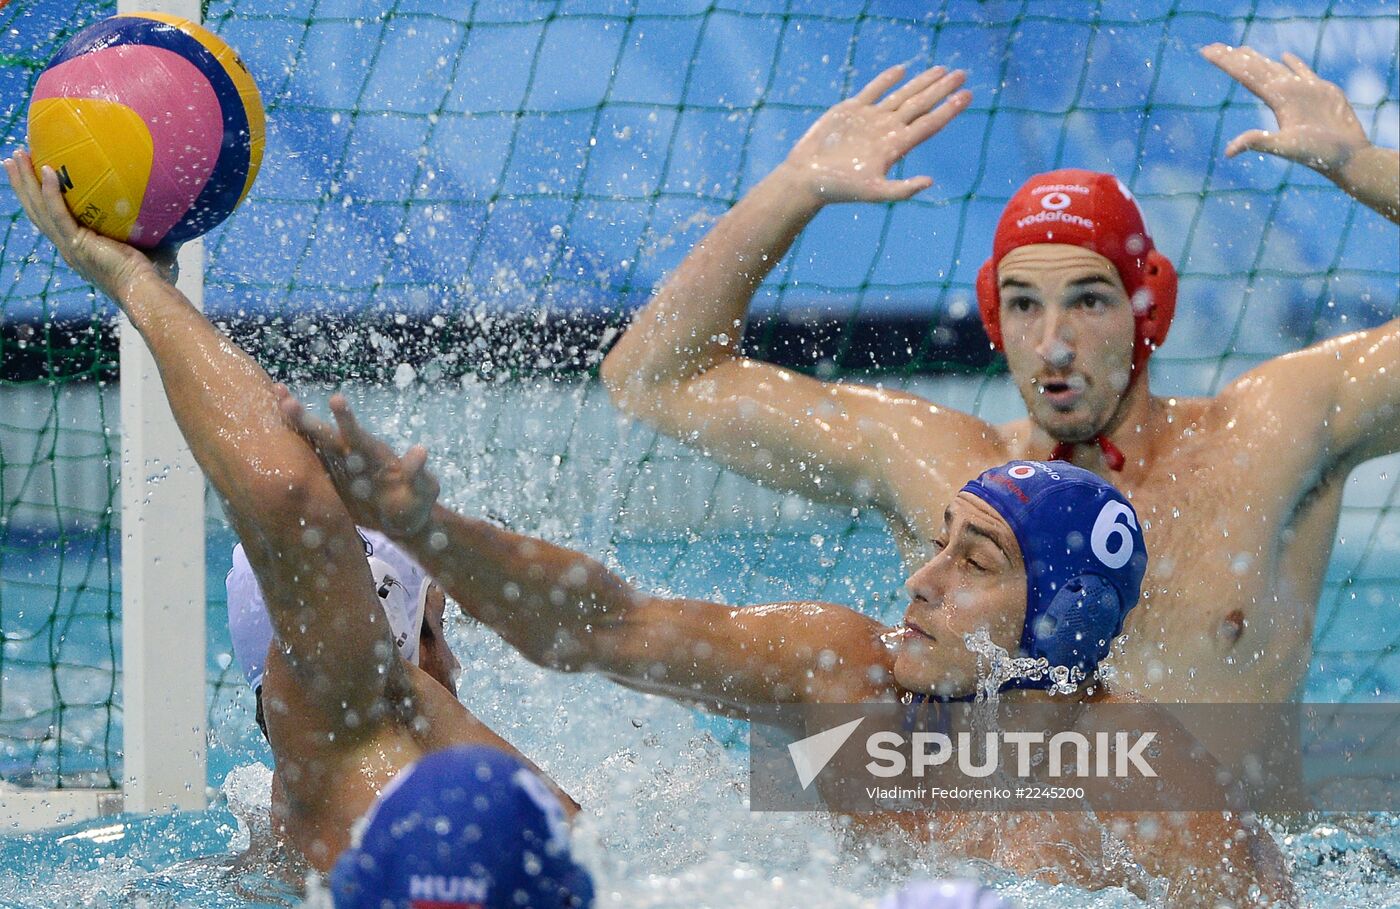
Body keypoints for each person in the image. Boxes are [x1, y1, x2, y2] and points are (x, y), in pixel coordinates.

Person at [597, 45, 1400, 710]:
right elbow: (653, 378)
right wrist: (792, 190)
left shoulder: (1271, 433)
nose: (1051, 344)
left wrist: (1360, 164)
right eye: (1023, 305)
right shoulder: (935, 460)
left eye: (1086, 300)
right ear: (993, 314)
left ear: (1147, 305)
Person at [278, 386, 1297, 905]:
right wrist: (425, 527)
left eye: (973, 563)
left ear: (1061, 623)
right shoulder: (848, 677)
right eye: (937, 543)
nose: (920, 579)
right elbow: (603, 627)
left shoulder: (1150, 785)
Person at [1, 151, 594, 909]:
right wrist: (133, 281)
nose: (454, 654)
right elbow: (285, 494)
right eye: (436, 619)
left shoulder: (296, 805)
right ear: (394, 637)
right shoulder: (369, 723)